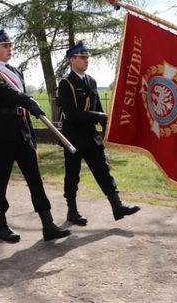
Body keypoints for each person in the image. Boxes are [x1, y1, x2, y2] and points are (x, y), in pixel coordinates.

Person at [0, 30, 70, 243]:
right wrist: (27, 99)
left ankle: (47, 224)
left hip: (22, 129)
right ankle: (1, 224)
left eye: (10, 45)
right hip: (3, 130)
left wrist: (31, 132)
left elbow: (18, 97)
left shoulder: (15, 71)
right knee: (1, 179)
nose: (9, 48)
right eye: (4, 45)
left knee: (34, 179)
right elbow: (3, 92)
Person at [57, 42, 140, 225]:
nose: (86, 61)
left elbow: (98, 107)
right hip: (73, 137)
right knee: (73, 174)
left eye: (87, 57)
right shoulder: (65, 84)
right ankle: (72, 211)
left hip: (90, 136)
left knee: (103, 170)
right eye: (82, 57)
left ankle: (117, 207)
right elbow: (72, 113)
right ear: (72, 60)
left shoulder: (91, 81)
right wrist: (99, 116)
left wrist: (106, 127)